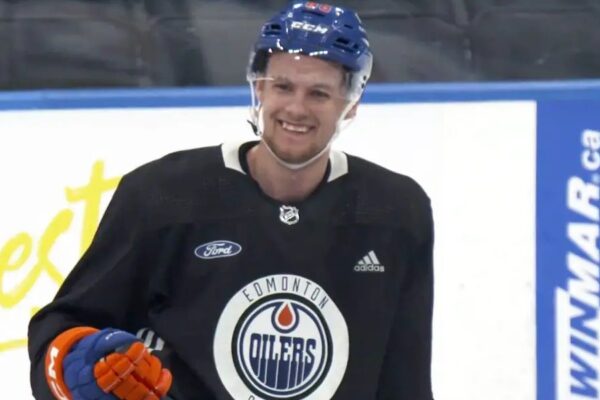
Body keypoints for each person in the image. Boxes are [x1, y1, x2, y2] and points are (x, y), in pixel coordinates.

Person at [28, 2, 435, 399]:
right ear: (258, 87)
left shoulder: (396, 212)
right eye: (283, 87)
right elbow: (64, 327)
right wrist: (79, 367)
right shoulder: (163, 195)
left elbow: (405, 379)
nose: (296, 108)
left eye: (319, 93)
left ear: (352, 104)